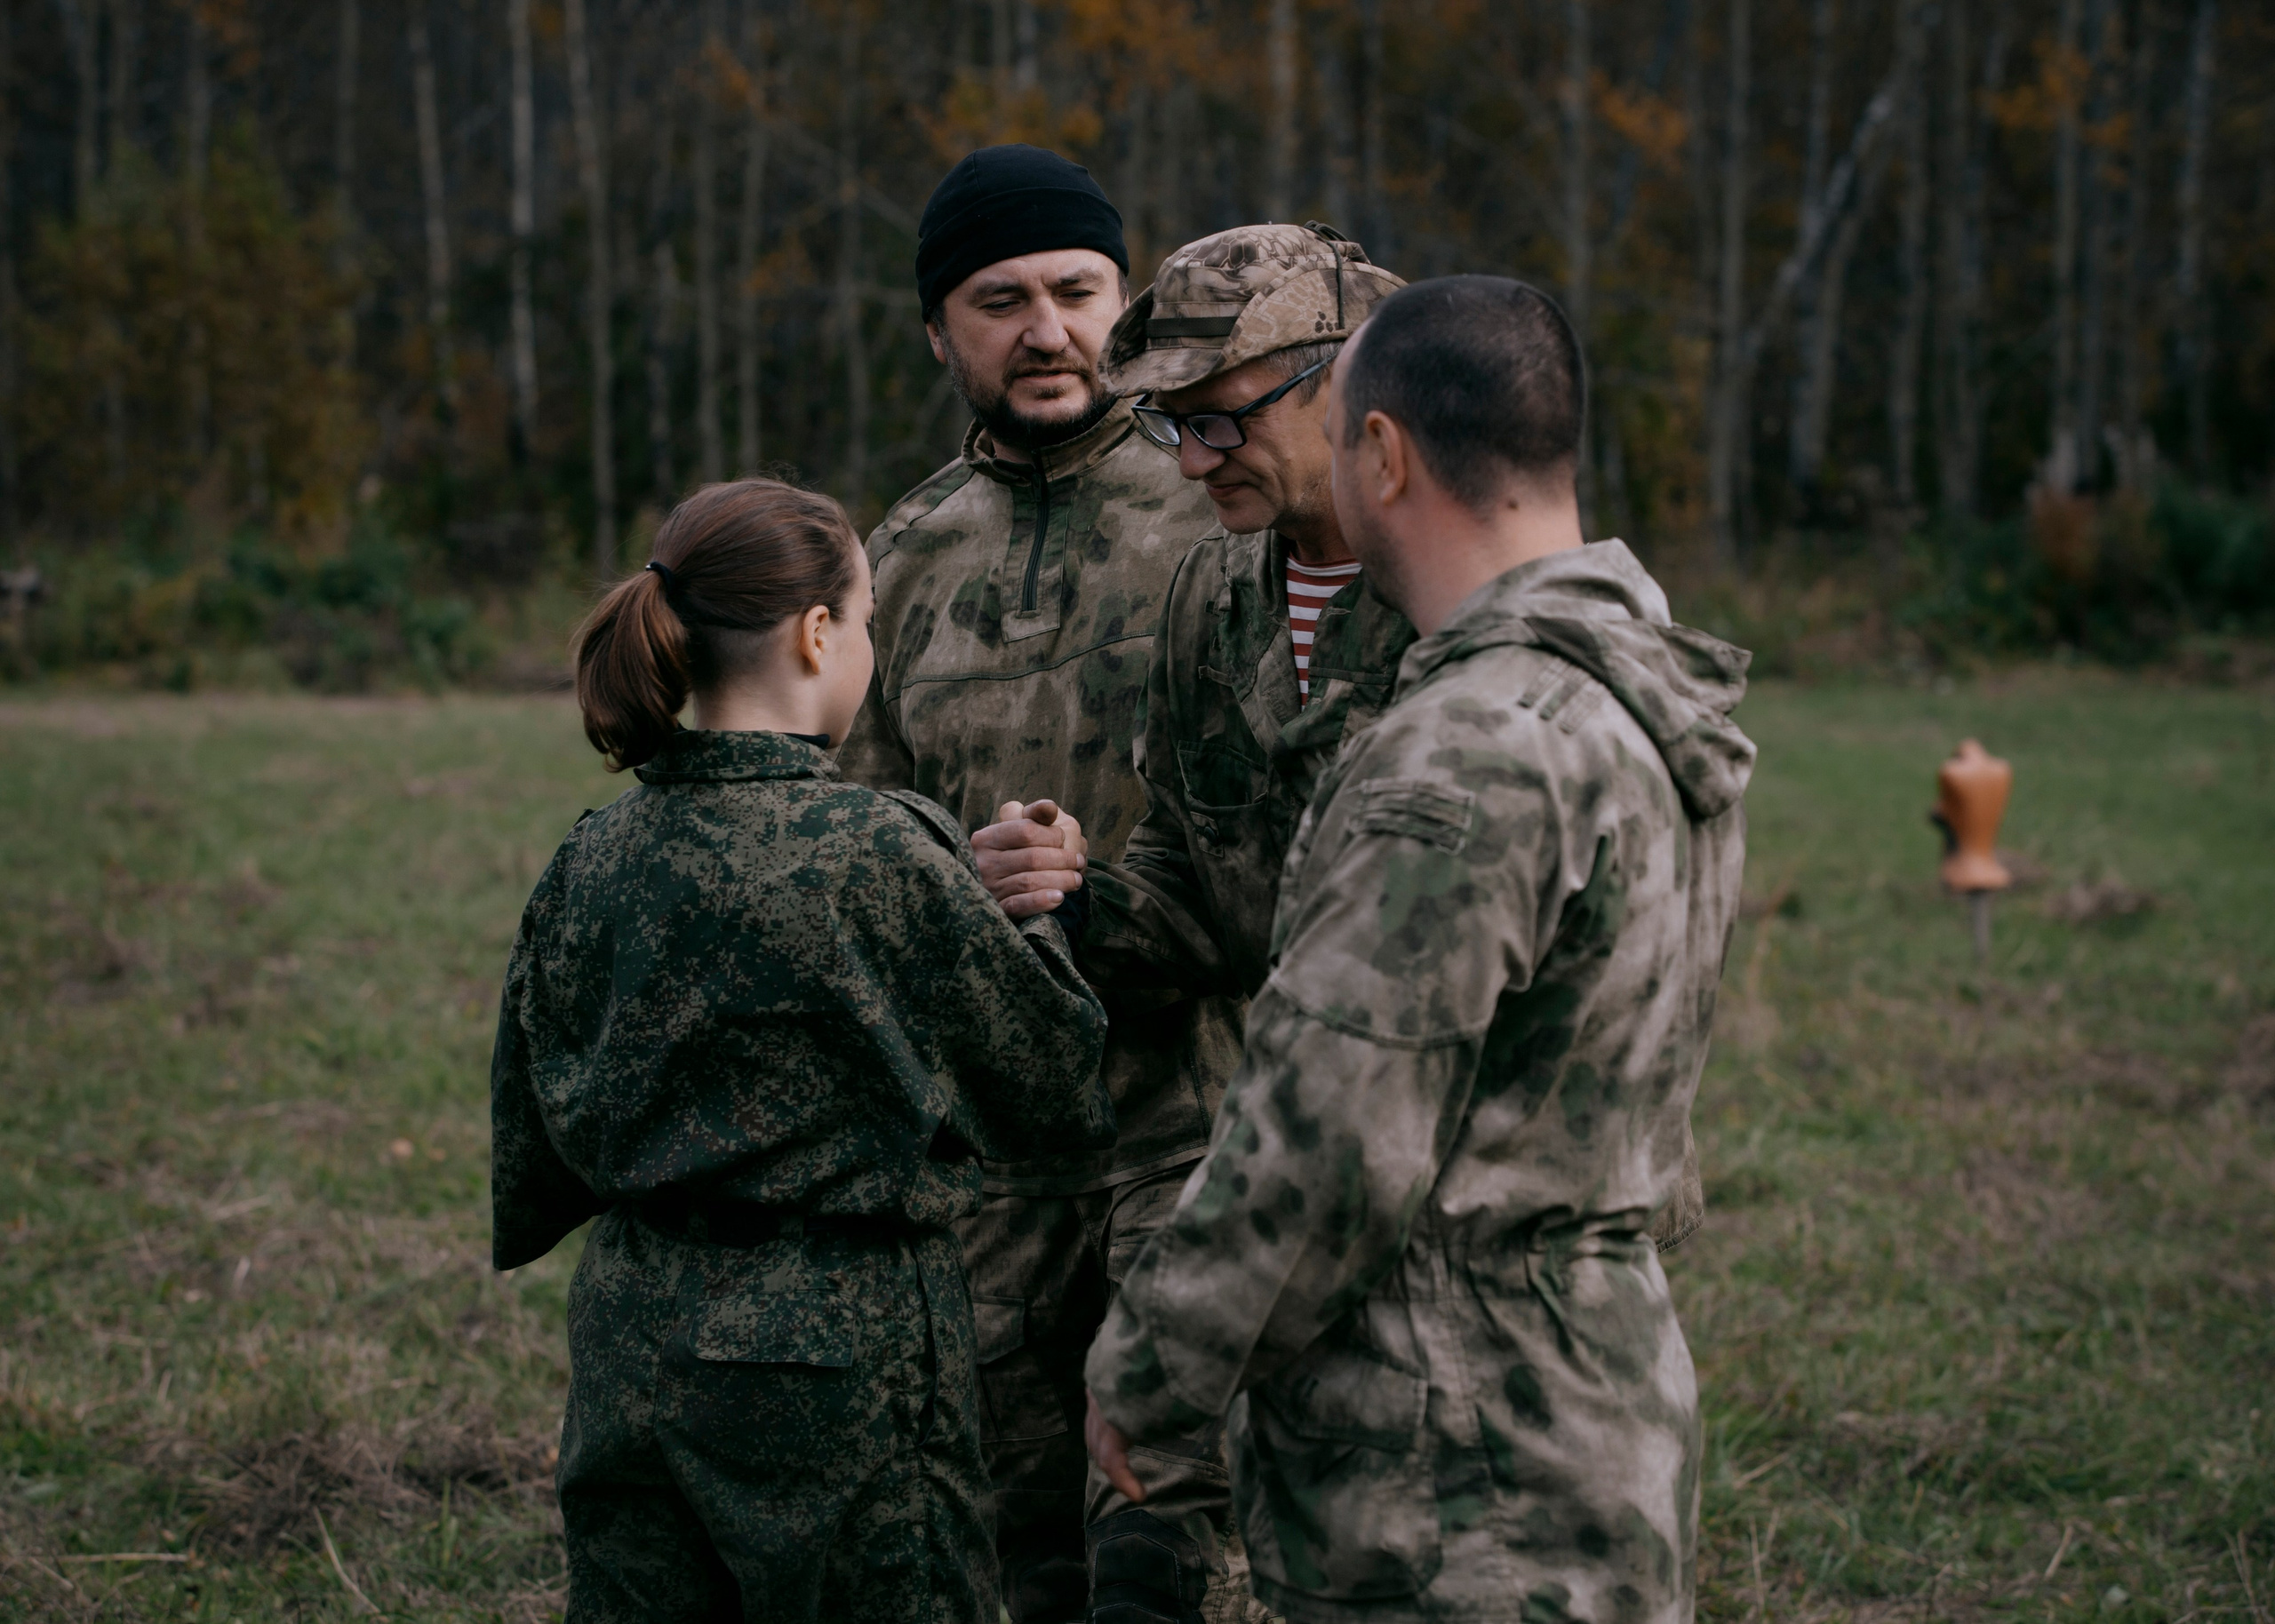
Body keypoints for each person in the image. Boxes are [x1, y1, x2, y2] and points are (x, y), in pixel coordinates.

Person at [1083, 278, 1756, 1624]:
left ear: (1382, 454)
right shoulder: (1631, 694)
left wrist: (1148, 1373)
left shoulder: (1466, 751)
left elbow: (1327, 1136)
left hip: (1453, 1457)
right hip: (1593, 1399)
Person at [488, 478, 1114, 1624]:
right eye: (867, 618)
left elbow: (530, 1143)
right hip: (844, 1354)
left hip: (629, 1337)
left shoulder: (591, 854)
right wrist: (1036, 918)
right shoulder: (883, 848)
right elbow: (1053, 1085)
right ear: (818, 632)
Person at [1020, 222, 1702, 1254]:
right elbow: (1199, 885)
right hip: (1309, 1186)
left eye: (1222, 421)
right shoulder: (1211, 593)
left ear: (1344, 392)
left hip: (1512, 1216)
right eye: (1171, 426)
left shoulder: (1485, 595)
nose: (1194, 461)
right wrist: (1074, 900)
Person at [834, 146, 1250, 1623]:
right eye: (998, 301)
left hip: (1196, 1122)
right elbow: (855, 850)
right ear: (936, 333)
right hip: (990, 1160)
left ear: (1123, 300)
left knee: (1164, 1542)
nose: (1047, 330)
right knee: (1022, 1554)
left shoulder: (1224, 515)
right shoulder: (895, 562)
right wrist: (957, 880)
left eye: (1077, 291)